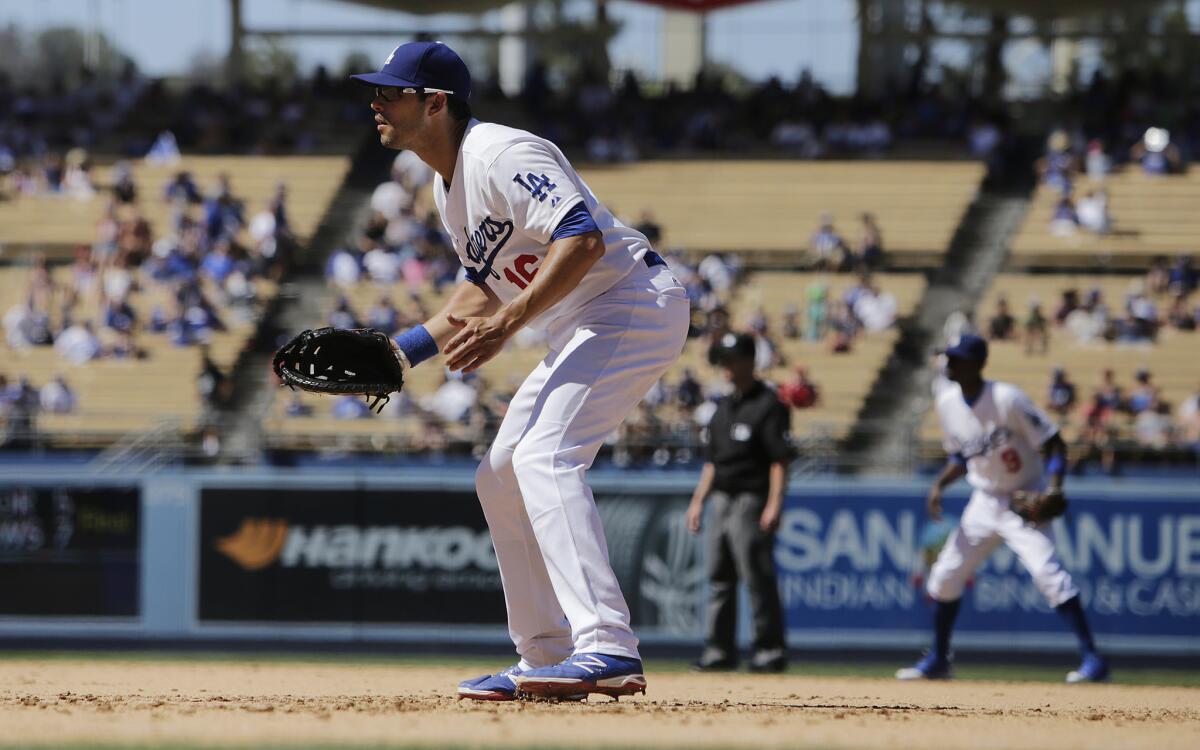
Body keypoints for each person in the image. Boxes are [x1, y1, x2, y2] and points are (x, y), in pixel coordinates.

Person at [352, 41, 688, 701]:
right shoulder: (449, 189)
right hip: (583, 323)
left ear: (435, 103)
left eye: (391, 92)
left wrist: (509, 325)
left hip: (632, 306)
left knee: (544, 458)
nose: (376, 103)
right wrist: (403, 353)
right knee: (500, 475)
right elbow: (482, 291)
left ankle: (608, 646)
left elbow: (581, 237)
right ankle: (544, 653)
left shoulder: (502, 154)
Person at [897, 334, 1109, 684]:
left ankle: (1093, 660)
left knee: (1047, 575)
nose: (949, 363)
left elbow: (1055, 444)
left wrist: (1054, 489)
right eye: (948, 357)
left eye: (957, 358)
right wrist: (939, 484)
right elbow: (961, 455)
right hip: (985, 500)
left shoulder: (1006, 398)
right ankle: (937, 659)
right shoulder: (947, 402)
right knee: (945, 577)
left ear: (977, 364)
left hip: (1027, 496)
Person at [685, 333, 791, 673]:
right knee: (719, 576)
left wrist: (774, 504)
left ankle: (768, 649)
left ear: (749, 360)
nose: (725, 367)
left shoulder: (768, 404)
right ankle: (719, 649)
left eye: (731, 359)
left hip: (751, 496)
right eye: (723, 360)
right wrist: (698, 501)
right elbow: (712, 462)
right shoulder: (723, 407)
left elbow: (779, 460)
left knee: (757, 575)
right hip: (722, 496)